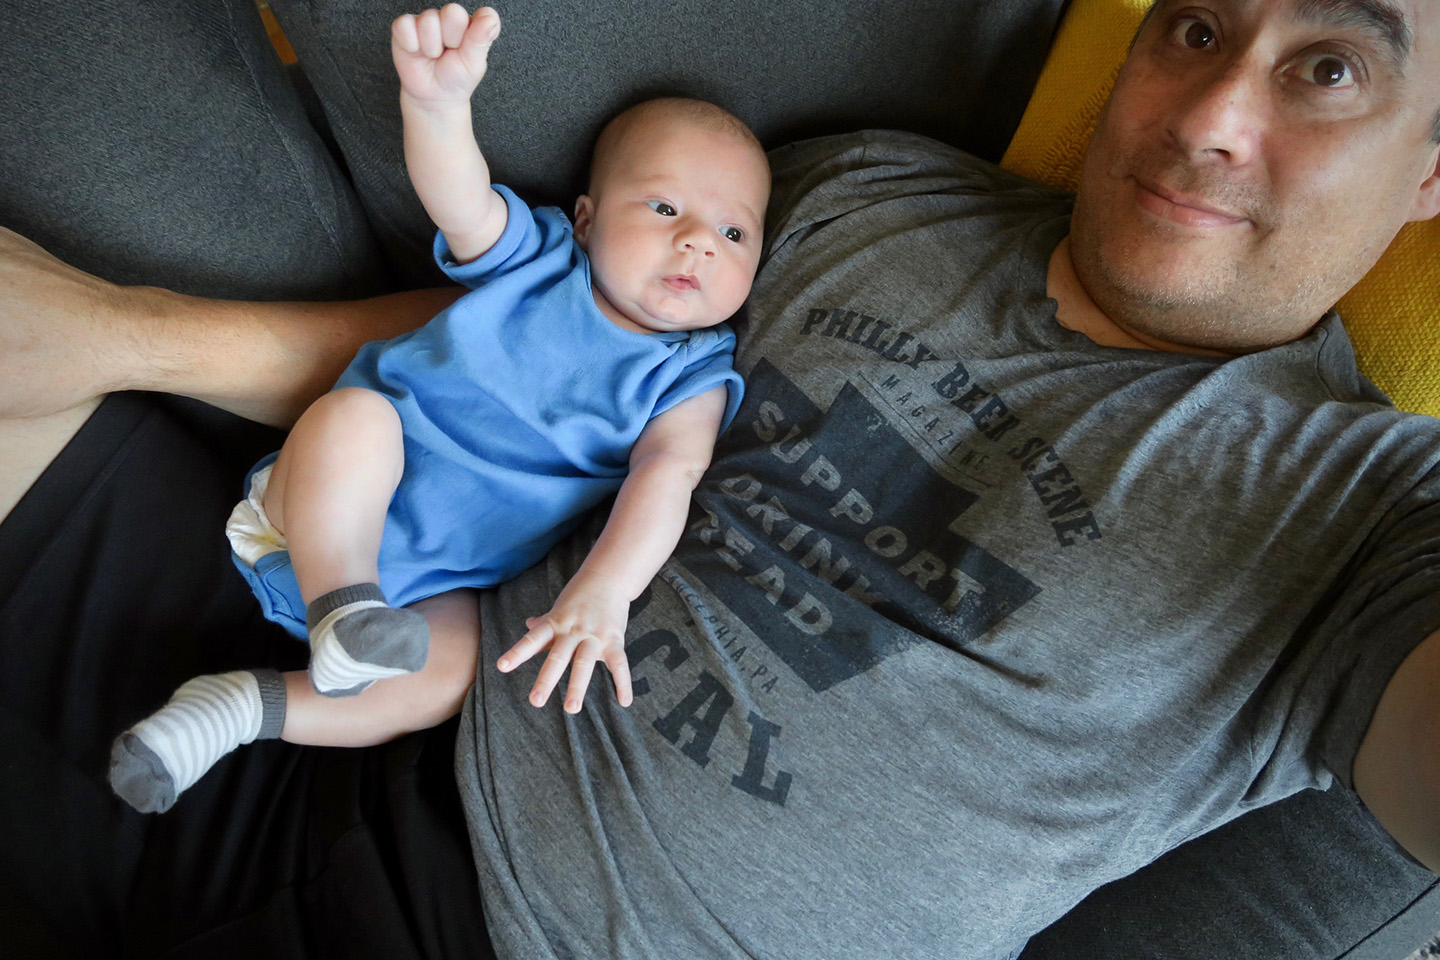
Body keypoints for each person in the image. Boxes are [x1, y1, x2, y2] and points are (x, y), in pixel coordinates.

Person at [3, 0, 1439, 958]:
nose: (1211, 115)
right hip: (375, 682)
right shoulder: (867, 192)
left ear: (1431, 171)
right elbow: (516, 355)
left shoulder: (1367, 512)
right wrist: (132, 334)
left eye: (1332, 68)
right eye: (1194, 28)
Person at [103, 6, 766, 816]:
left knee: (454, 675)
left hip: (430, 593)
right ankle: (340, 604)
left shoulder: (693, 373)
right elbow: (465, 204)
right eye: (664, 209)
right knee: (357, 418)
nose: (700, 241)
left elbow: (669, 473)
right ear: (587, 220)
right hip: (318, 509)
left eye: (734, 232)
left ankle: (242, 710)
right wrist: (438, 108)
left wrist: (606, 592)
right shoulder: (543, 263)